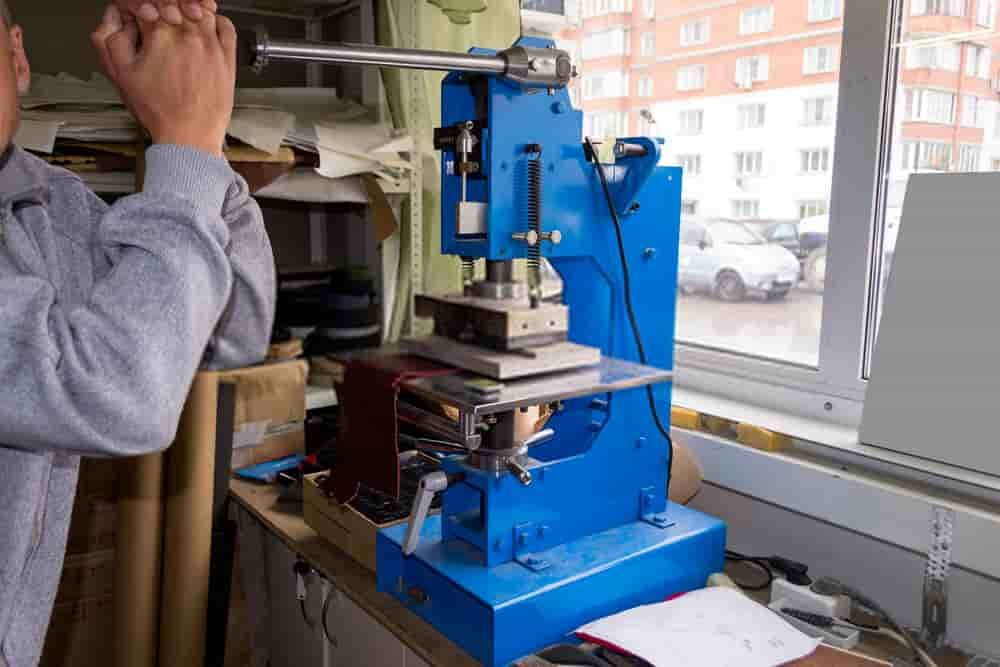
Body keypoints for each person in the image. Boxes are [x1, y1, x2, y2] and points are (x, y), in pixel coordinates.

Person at [0, 1, 276, 664]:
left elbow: (226, 328)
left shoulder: (46, 204)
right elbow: (115, 390)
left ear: (16, 59)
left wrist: (198, 143)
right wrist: (183, 146)